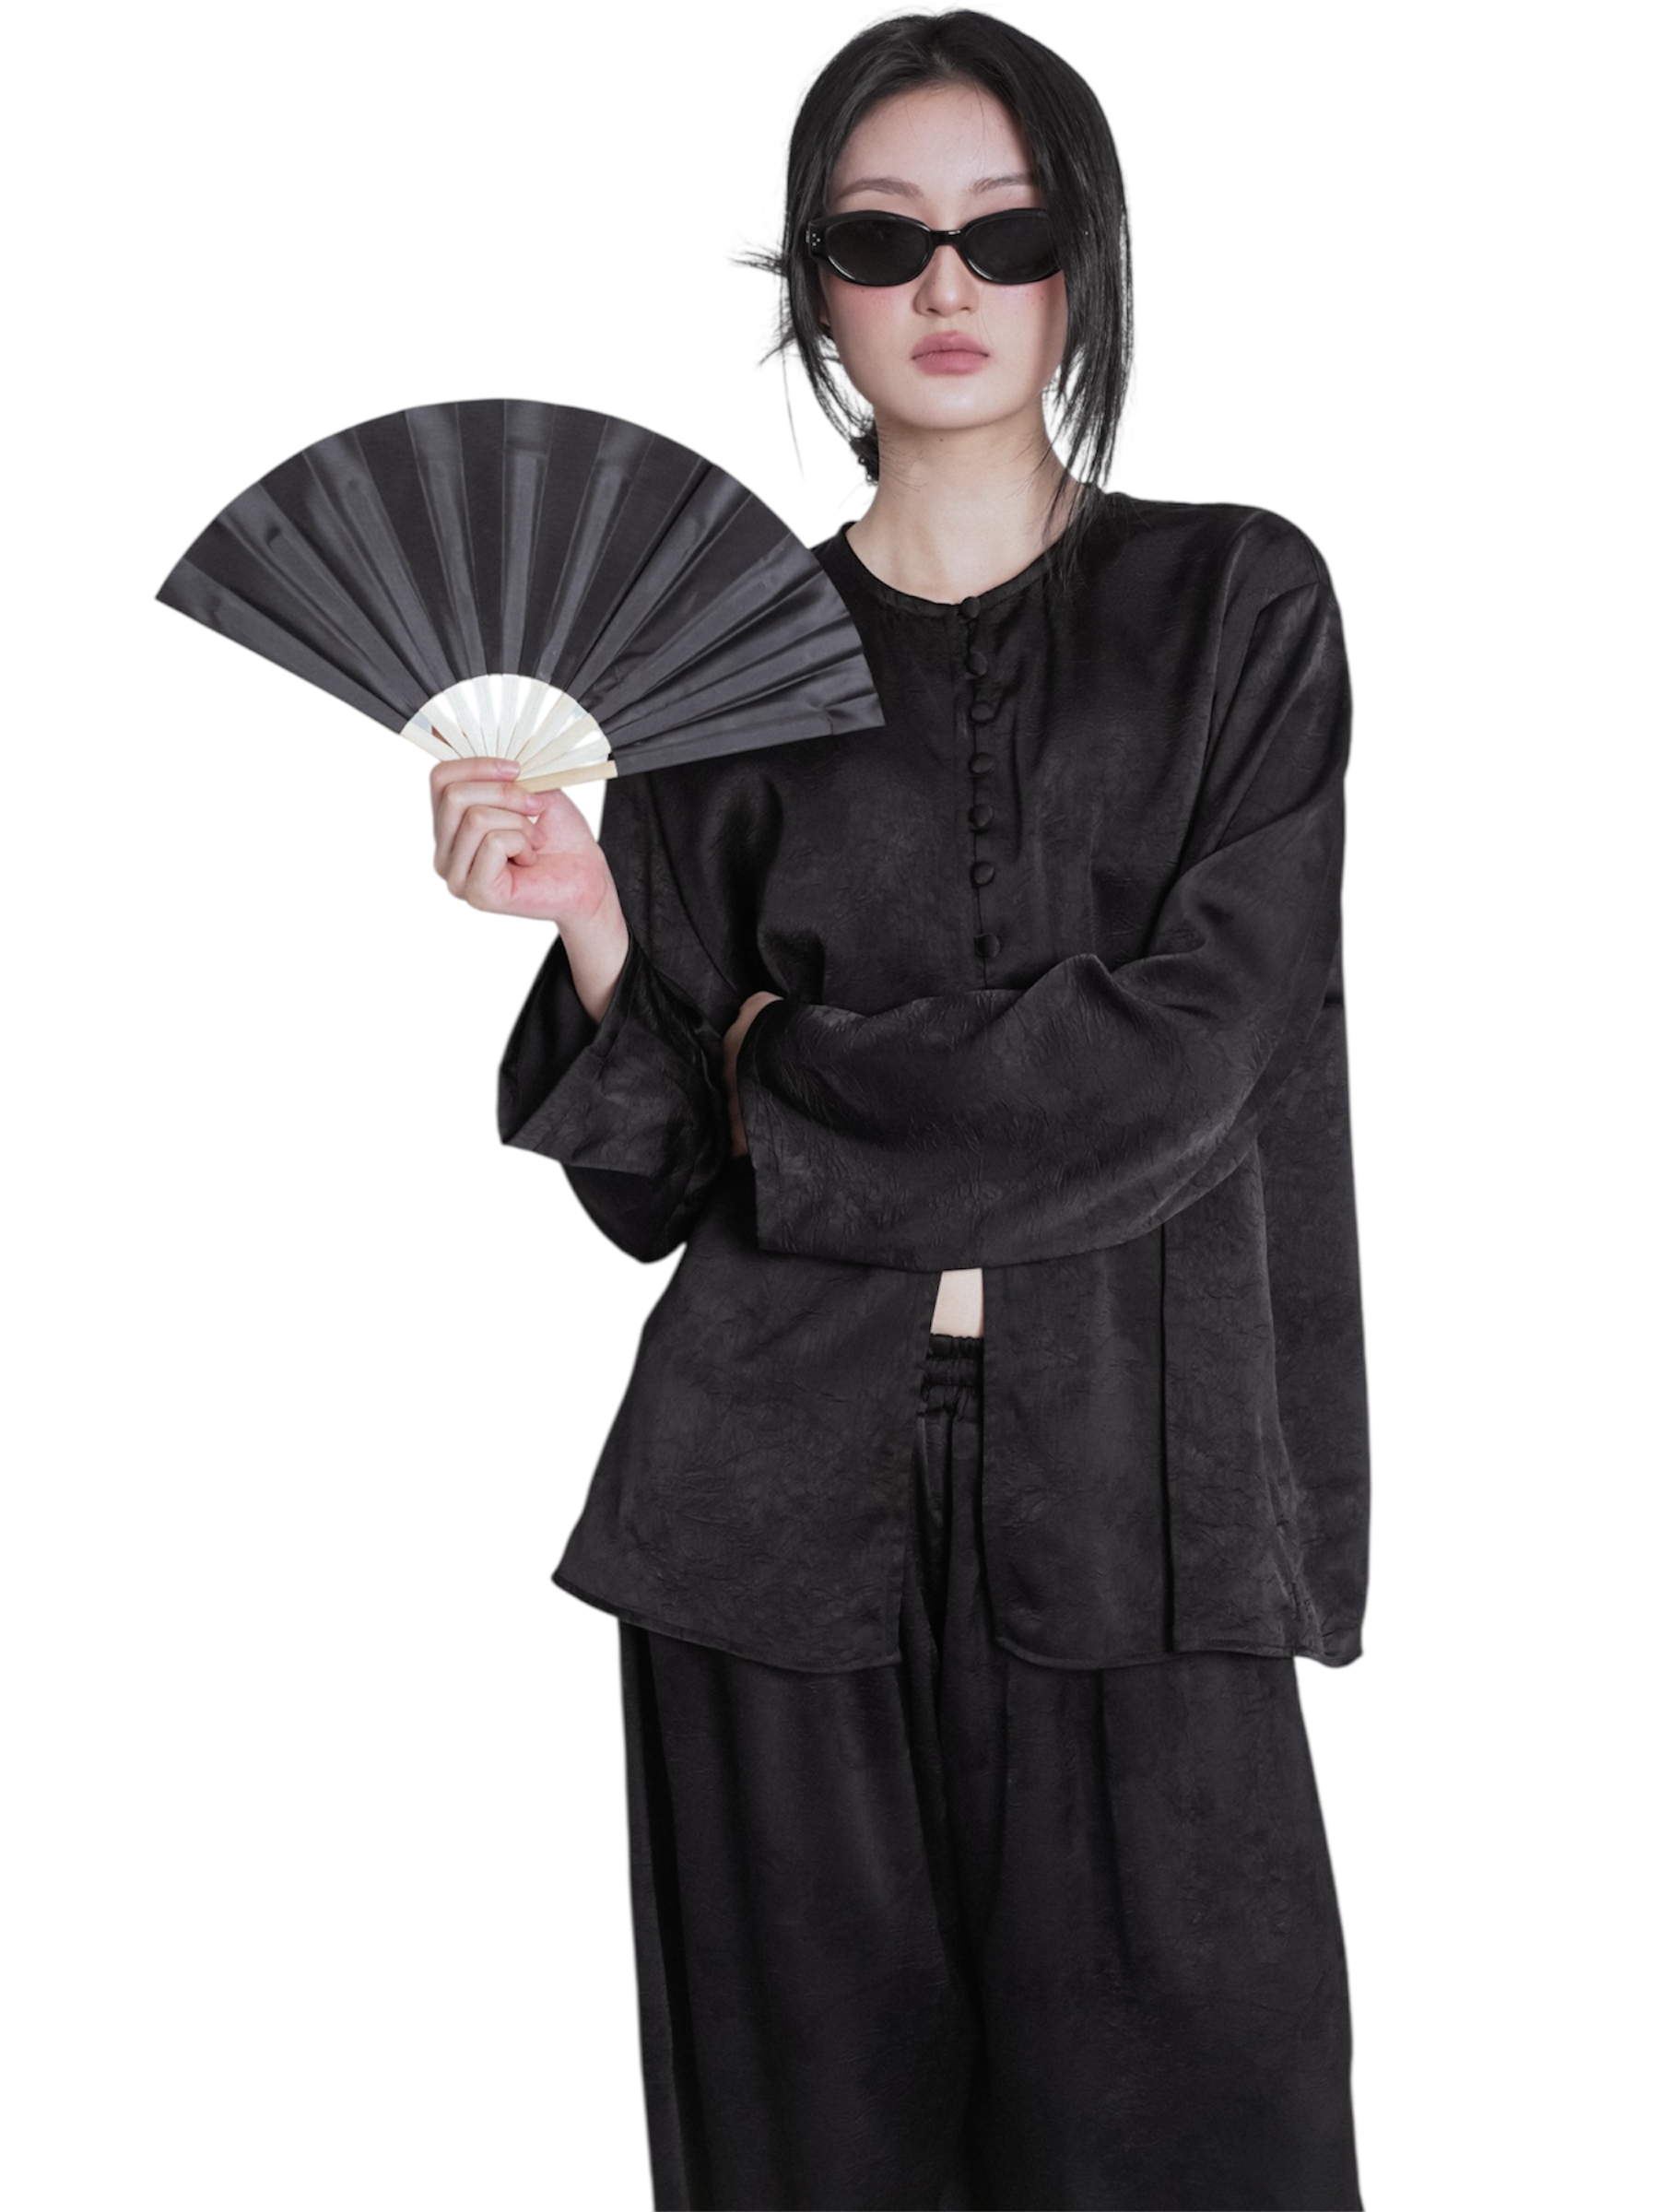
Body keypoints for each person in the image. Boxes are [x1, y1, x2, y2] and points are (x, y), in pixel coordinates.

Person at [429, 11, 1368, 2207]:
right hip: (763, 1519)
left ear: (1080, 266)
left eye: (1003, 234)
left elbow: (1187, 1063)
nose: (946, 284)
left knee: (1201, 2143)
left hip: (1143, 1498)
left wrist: (773, 1058)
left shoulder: (1236, 603)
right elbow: (659, 1182)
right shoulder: (714, 667)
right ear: (818, 289)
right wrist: (593, 920)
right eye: (880, 239)